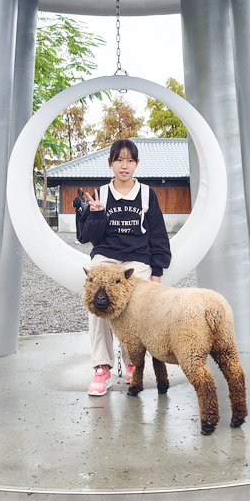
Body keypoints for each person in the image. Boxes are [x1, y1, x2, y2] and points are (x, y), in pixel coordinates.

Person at [78, 139, 171, 396]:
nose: (124, 165)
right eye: (119, 160)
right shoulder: (101, 193)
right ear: (110, 163)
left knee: (133, 304)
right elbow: (88, 238)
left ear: (137, 164)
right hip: (106, 256)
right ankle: (102, 367)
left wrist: (157, 272)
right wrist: (96, 215)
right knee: (97, 300)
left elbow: (158, 236)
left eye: (130, 160)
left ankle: (133, 363)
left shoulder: (146, 193)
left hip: (136, 258)